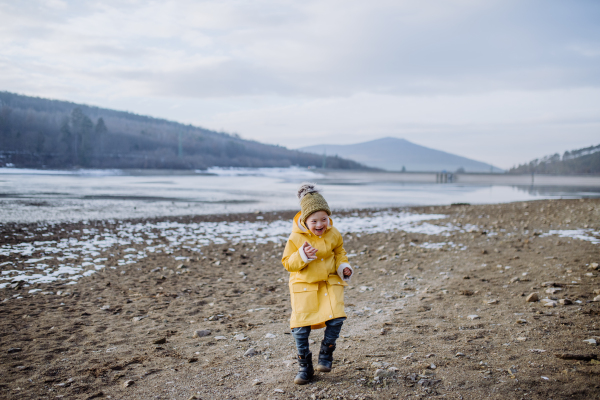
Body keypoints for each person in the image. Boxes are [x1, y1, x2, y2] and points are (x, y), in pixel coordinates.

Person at [281, 183, 354, 385]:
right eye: (314, 220)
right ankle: (305, 367)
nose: (320, 224)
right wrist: (302, 255)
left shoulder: (334, 233)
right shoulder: (296, 237)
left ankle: (326, 354)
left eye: (324, 219)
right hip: (304, 286)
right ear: (305, 221)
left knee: (337, 318)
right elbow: (288, 263)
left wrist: (343, 266)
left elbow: (340, 252)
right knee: (300, 328)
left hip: (330, 283)